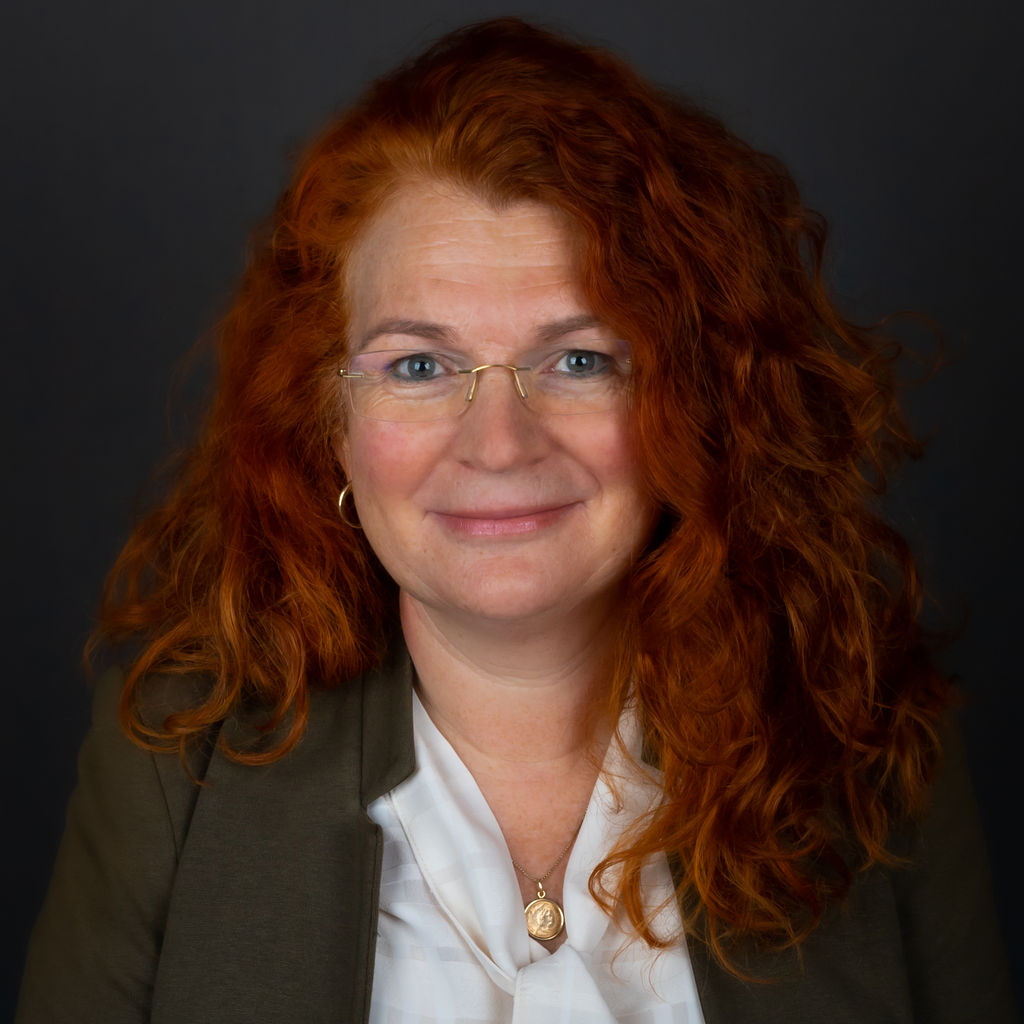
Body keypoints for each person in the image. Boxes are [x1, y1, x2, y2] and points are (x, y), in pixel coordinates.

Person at [16, 17, 1016, 1024]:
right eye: (419, 365)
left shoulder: (870, 747)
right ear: (328, 424)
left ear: (693, 403)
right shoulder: (173, 767)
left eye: (578, 359)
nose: (498, 443)